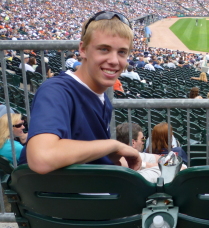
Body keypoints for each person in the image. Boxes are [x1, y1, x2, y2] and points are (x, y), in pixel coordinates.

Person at [18, 10, 141, 174]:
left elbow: (88, 153)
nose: (113, 61)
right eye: (104, 49)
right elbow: (42, 158)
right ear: (83, 49)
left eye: (122, 52)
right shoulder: (56, 91)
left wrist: (115, 154)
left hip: (87, 186)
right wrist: (113, 145)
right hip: (63, 197)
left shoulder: (103, 98)